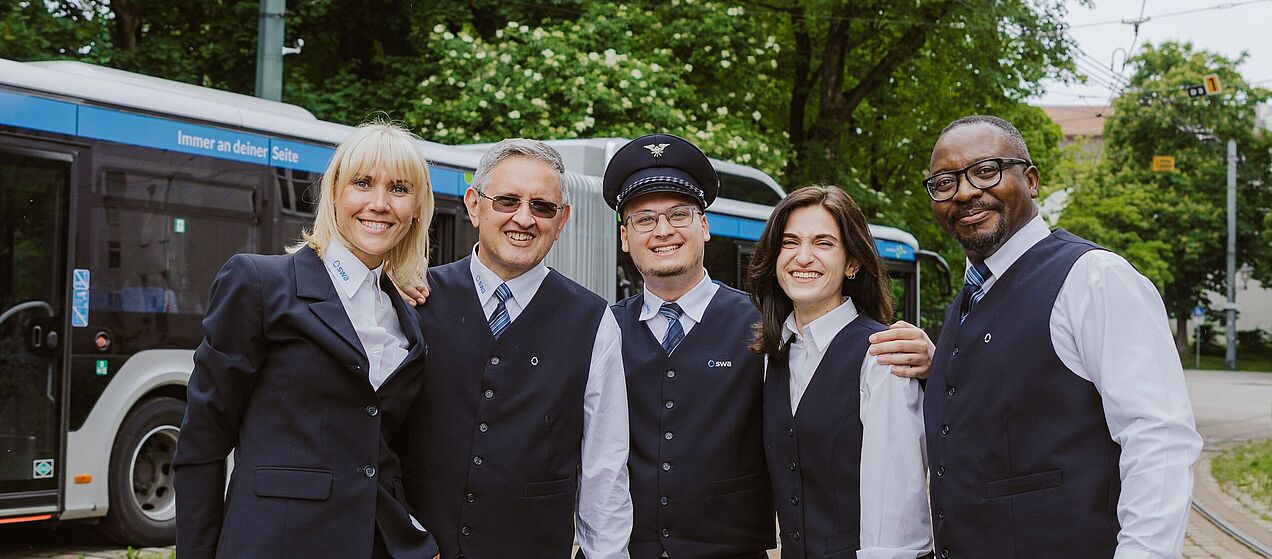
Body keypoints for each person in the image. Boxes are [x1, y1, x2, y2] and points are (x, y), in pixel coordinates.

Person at [602, 134, 937, 559]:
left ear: (704, 226)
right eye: (644, 219)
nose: (663, 230)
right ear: (625, 237)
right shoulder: (604, 331)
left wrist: (930, 363)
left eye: (679, 215)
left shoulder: (765, 329)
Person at [921, 115, 1202, 558]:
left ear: (1030, 180)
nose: (965, 191)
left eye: (986, 170)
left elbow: (1158, 440)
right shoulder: (970, 297)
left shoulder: (1095, 278)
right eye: (944, 182)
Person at [174, 121, 439, 559]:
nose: (379, 202)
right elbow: (203, 441)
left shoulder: (406, 312)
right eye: (362, 183)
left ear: (416, 208)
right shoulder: (259, 283)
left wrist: (411, 536)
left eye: (399, 189)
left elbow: (380, 448)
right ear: (334, 192)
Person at [395, 139, 632, 558]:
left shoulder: (594, 322)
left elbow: (605, 469)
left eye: (542, 207)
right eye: (507, 201)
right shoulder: (413, 299)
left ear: (562, 221)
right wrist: (408, 538)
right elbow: (375, 443)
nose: (523, 218)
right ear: (474, 205)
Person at [748, 185, 932, 559]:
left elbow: (897, 508)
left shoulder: (881, 356)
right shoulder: (772, 356)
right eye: (790, 242)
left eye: (823, 243)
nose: (803, 257)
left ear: (852, 263)